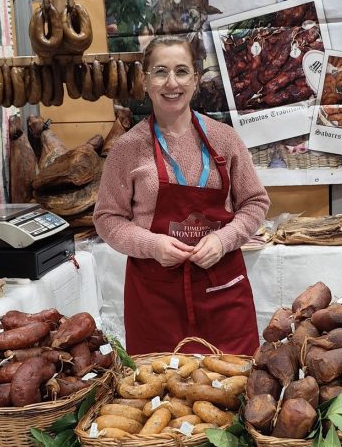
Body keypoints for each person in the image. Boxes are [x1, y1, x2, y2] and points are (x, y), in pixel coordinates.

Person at [93, 35, 270, 355]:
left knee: (235, 390)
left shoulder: (225, 139)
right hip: (155, 297)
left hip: (222, 291)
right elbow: (107, 218)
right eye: (160, 72)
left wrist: (223, 239)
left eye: (182, 71)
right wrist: (152, 244)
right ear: (145, 81)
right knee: (158, 399)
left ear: (196, 80)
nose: (171, 82)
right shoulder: (127, 149)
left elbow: (255, 202)